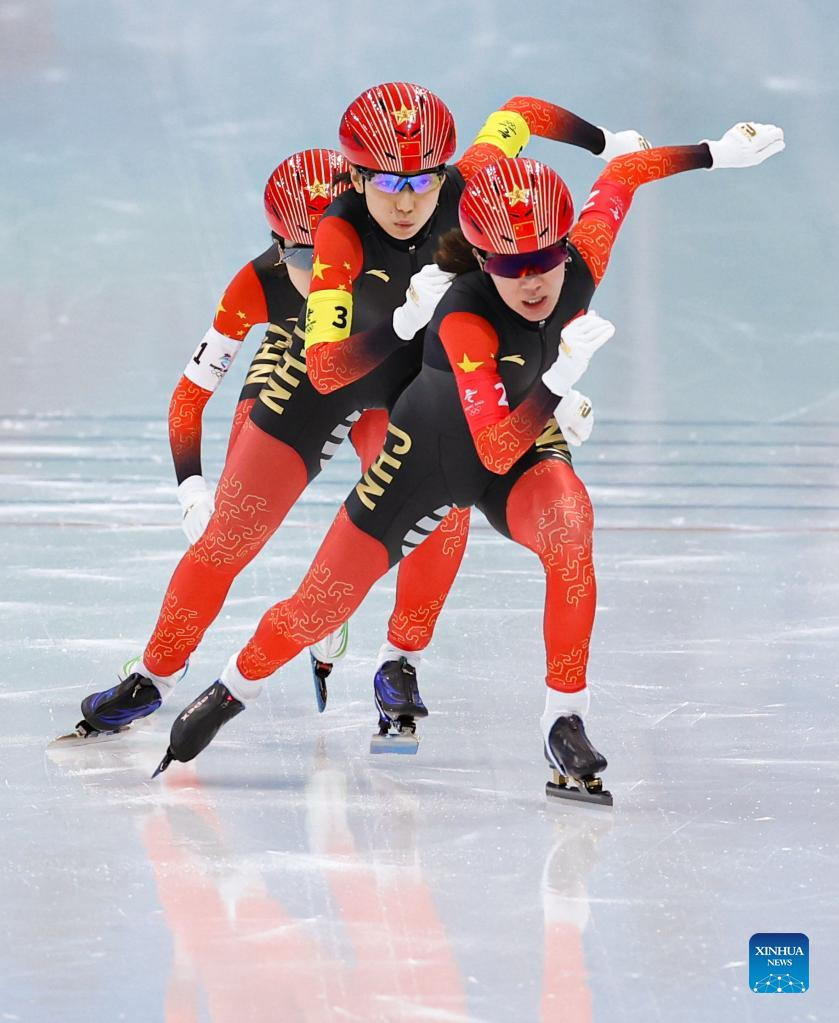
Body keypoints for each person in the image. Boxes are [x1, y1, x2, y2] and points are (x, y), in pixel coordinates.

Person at [153, 120, 785, 801]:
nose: (533, 279)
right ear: (482, 262)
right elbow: (489, 449)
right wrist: (558, 381)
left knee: (570, 528)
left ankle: (563, 718)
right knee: (314, 608)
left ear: (568, 248)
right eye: (511, 267)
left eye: (546, 259)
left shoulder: (580, 259)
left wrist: (715, 152)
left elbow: (622, 178)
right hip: (433, 456)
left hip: (522, 437)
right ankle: (227, 691)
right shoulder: (464, 319)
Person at [73, 82, 650, 748]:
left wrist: (606, 143)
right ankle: (156, 673)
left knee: (443, 505)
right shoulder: (304, 256)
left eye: (421, 180)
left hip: (413, 377)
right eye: (385, 181)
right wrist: (190, 484)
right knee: (229, 534)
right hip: (331, 374)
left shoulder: (470, 187)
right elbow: (303, 373)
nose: (405, 200)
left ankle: (400, 659)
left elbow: (518, 115)